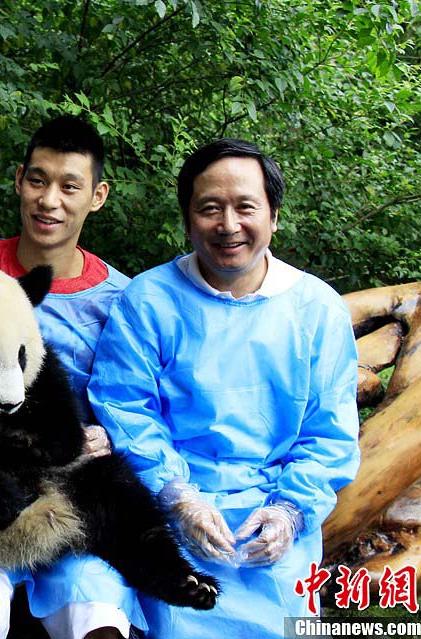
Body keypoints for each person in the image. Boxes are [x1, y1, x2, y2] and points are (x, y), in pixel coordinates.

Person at [88, 138, 360, 638]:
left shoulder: (317, 309)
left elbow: (329, 433)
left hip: (271, 513)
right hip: (168, 507)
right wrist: (177, 496)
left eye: (245, 207)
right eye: (210, 209)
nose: (228, 225)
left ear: (273, 216)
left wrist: (290, 511)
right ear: (188, 220)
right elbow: (125, 407)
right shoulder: (148, 300)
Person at [0, 115, 142, 639]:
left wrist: (112, 435)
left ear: (97, 196)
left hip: (70, 491)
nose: (50, 200)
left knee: (100, 620)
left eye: (70, 186)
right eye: (38, 180)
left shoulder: (122, 300)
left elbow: (139, 403)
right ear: (19, 179)